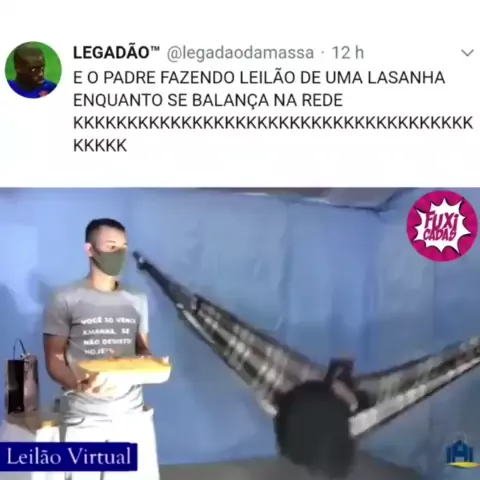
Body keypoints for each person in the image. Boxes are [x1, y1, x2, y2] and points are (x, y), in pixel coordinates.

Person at [43, 218, 160, 479]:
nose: (120, 254)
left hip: (130, 417)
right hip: (84, 419)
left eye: (123, 247)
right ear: (90, 250)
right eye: (111, 246)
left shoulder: (137, 299)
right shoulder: (65, 298)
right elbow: (54, 358)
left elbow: (143, 351)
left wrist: (152, 364)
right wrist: (78, 384)